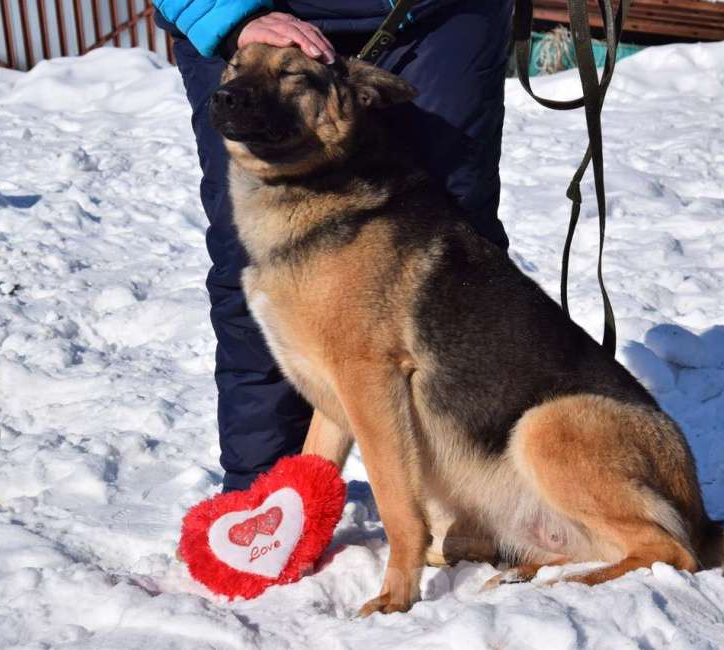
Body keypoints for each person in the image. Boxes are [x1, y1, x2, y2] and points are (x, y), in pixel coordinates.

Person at [154, 0, 514, 492]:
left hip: (438, 16)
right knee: (256, 258)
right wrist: (227, 18)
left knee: (460, 251)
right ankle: (265, 502)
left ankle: (479, 488)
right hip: (246, 14)